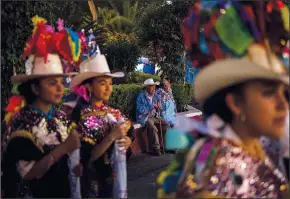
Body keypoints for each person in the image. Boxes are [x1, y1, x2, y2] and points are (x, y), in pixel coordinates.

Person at [157, 1, 289, 198]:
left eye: (285, 93)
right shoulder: (223, 174)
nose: (283, 105)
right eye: (269, 92)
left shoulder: (246, 149)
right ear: (235, 103)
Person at [2, 16, 81, 198]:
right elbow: (27, 175)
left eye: (62, 81)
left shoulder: (60, 117)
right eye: (53, 83)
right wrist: (63, 149)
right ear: (36, 88)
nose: (61, 87)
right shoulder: (21, 124)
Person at [69, 53, 133, 198]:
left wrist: (127, 141)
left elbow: (129, 133)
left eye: (110, 84)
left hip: (113, 180)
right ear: (89, 87)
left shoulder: (114, 111)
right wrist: (111, 137)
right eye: (102, 83)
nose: (108, 89)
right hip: (92, 183)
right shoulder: (80, 115)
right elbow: (86, 158)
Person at [136, 78, 170, 156]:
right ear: (146, 88)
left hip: (155, 116)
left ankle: (167, 146)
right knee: (153, 128)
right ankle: (156, 148)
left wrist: (160, 106)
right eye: (152, 86)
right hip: (145, 117)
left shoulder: (155, 95)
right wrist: (152, 106)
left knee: (167, 125)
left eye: (154, 86)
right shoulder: (141, 96)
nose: (154, 88)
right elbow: (141, 110)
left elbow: (160, 104)